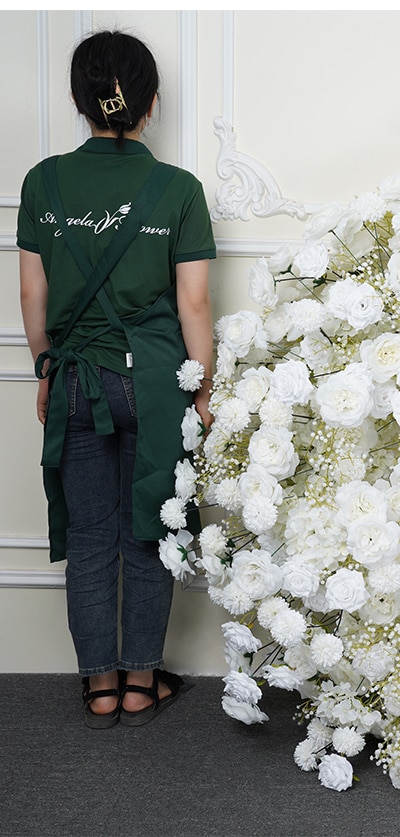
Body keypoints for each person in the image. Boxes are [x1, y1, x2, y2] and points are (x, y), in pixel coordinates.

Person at [17, 30, 216, 728]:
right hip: (157, 383)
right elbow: (193, 305)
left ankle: (99, 685)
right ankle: (140, 681)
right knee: (150, 533)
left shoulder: (42, 182)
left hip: (75, 378)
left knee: (93, 537)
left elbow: (32, 300)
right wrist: (203, 390)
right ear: (149, 103)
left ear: (82, 102)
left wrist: (47, 367)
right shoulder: (179, 190)